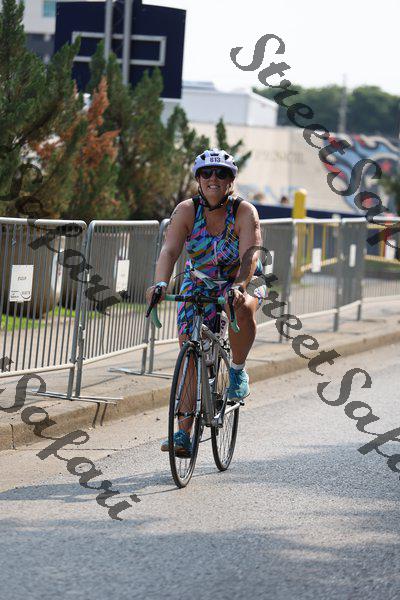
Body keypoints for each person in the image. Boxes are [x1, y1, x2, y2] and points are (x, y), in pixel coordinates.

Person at [146, 148, 267, 454]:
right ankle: (183, 433)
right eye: (207, 173)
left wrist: (239, 286)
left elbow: (250, 256)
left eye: (221, 173)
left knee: (240, 307)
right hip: (199, 279)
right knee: (189, 351)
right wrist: (160, 283)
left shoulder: (244, 212)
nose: (214, 178)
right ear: (198, 179)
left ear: (231, 180)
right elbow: (170, 251)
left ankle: (237, 370)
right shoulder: (186, 211)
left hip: (242, 277)